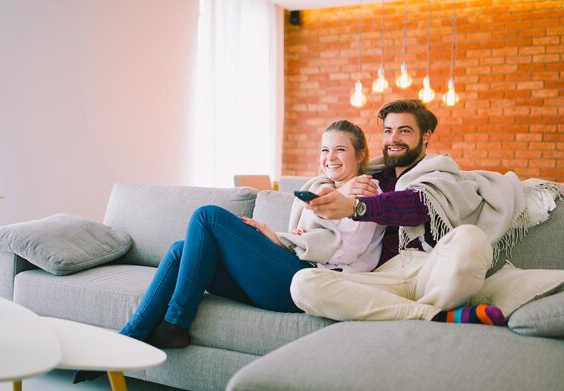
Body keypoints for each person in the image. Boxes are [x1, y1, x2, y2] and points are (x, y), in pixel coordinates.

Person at [74, 120, 385, 383]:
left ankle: (176, 322)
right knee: (180, 250)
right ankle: (128, 338)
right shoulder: (322, 187)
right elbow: (311, 239)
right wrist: (276, 237)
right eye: (325, 150)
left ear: (360, 155)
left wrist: (299, 235)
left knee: (207, 216)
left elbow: (344, 253)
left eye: (340, 149)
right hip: (290, 267)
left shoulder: (368, 193)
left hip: (309, 284)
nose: (330, 157)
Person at [289, 99, 564, 326]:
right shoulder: (371, 178)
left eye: (404, 131)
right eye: (388, 131)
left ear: (426, 136)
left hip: (431, 267)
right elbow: (335, 176)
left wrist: (357, 207)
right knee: (304, 284)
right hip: (381, 276)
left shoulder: (441, 173)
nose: (393, 139)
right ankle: (432, 315)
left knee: (470, 238)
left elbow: (418, 205)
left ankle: (421, 307)